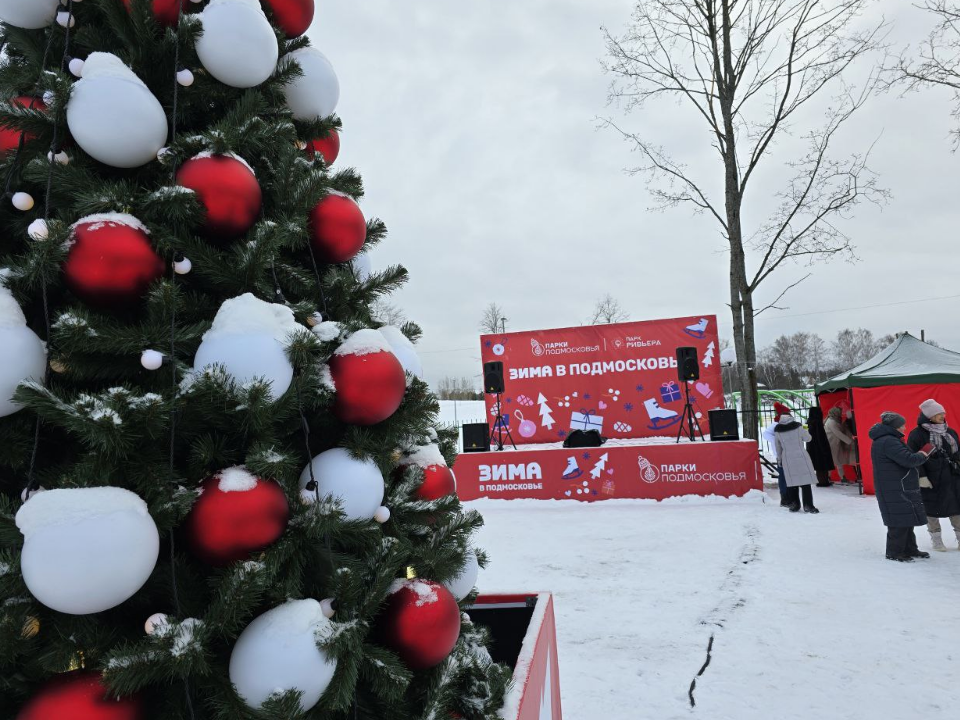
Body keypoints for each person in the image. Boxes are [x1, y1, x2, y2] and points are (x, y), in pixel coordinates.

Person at [869, 412, 932, 562]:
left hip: (895, 485)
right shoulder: (889, 441)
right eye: (902, 424)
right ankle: (894, 552)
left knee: (906, 519)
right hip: (895, 487)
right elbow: (908, 460)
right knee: (898, 521)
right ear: (895, 426)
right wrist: (923, 453)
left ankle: (909, 548)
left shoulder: (887, 440)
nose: (905, 427)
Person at [907, 399, 960, 552]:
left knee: (956, 507)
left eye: (943, 413)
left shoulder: (950, 432)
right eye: (938, 413)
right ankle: (936, 540)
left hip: (952, 477)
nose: (943, 415)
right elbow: (913, 457)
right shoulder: (917, 434)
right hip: (931, 479)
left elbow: (957, 451)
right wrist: (921, 477)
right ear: (929, 416)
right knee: (932, 510)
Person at [774, 413, 819, 513]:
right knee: (805, 481)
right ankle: (808, 505)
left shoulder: (778, 430)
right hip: (801, 455)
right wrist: (805, 429)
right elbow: (808, 438)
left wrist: (780, 460)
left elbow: (778, 447)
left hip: (787, 457)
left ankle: (795, 504)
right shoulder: (798, 427)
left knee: (791, 481)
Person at [762, 402, 792, 506]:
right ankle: (784, 498)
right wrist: (776, 441)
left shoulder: (786, 423)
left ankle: (789, 497)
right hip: (781, 455)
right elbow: (765, 434)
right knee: (783, 476)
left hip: (788, 453)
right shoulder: (776, 424)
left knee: (788, 476)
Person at [825, 406, 856, 482]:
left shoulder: (834, 420)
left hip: (835, 443)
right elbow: (838, 433)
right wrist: (850, 441)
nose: (841, 414)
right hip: (832, 444)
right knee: (833, 461)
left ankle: (840, 477)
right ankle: (830, 477)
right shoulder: (831, 421)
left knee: (837, 461)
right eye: (839, 412)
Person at [806, 406, 835, 487]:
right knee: (822, 466)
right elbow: (820, 437)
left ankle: (822, 481)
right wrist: (824, 449)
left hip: (813, 448)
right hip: (819, 448)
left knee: (819, 467)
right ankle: (823, 482)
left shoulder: (811, 422)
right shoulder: (817, 423)